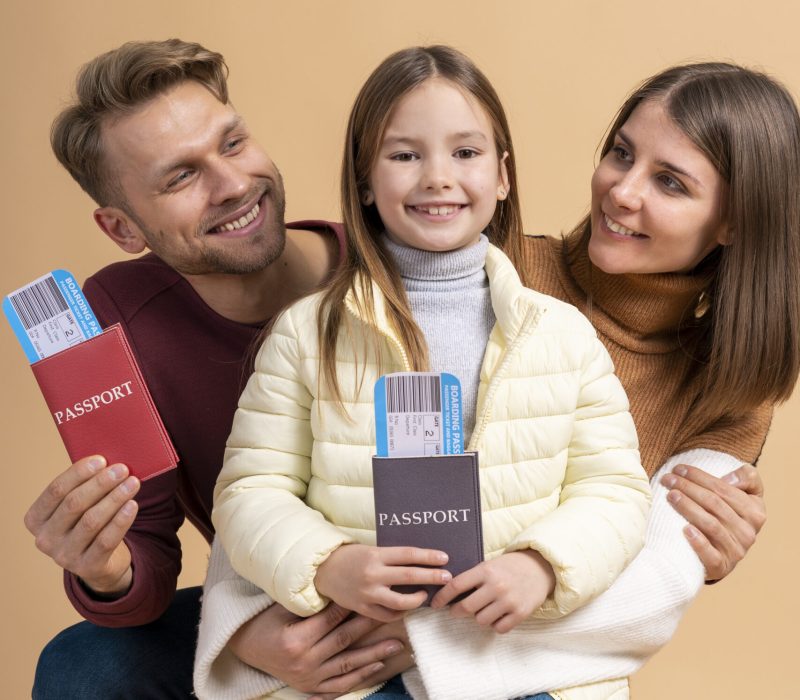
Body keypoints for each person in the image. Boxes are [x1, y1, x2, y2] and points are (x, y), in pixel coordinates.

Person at [195, 59, 798, 699]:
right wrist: (245, 633)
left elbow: (647, 585)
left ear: (735, 219)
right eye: (621, 153)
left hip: (506, 658)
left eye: (671, 182)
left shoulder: (728, 383)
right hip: (338, 632)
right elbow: (265, 485)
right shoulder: (460, 257)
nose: (622, 191)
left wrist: (437, 629)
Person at [25, 39, 408, 699]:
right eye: (180, 177)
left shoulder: (400, 265)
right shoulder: (119, 322)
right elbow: (145, 567)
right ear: (122, 228)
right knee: (83, 666)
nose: (232, 185)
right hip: (276, 597)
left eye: (232, 144)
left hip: (442, 590)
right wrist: (106, 568)